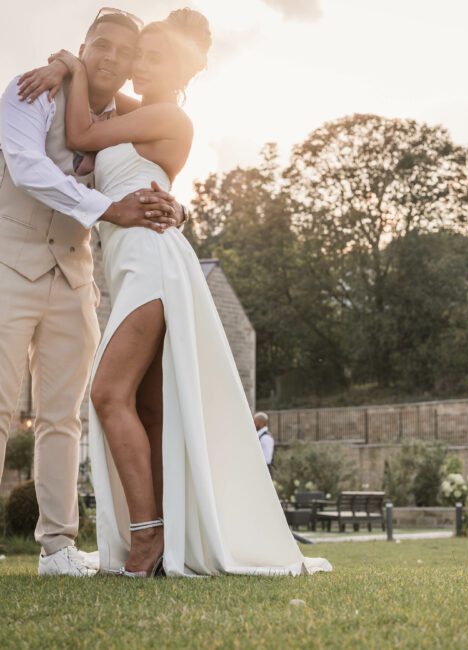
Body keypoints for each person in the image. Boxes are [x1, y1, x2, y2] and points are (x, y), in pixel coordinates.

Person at [36, 8, 331, 578]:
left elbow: (80, 134)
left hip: (153, 264)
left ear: (184, 70)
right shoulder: (138, 111)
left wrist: (71, 62)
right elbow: (98, 102)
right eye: (139, 56)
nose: (140, 66)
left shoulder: (170, 117)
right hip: (125, 267)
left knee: (106, 394)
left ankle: (146, 540)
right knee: (148, 409)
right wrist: (66, 66)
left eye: (155, 58)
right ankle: (166, 541)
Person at [0, 8, 184, 577]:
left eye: (122, 53)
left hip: (77, 277)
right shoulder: (31, 92)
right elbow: (28, 166)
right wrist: (108, 207)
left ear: (130, 68)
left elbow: (153, 168)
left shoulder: (121, 116)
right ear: (83, 47)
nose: (110, 57)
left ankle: (57, 548)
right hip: (9, 267)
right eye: (99, 45)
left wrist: (177, 206)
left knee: (64, 419)